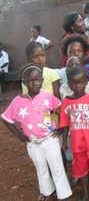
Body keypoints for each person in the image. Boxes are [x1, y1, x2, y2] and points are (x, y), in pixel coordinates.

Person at [1, 65, 72, 201]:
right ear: (24, 82)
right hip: (33, 143)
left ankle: (63, 195)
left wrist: (57, 127)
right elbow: (6, 119)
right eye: (30, 80)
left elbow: (58, 108)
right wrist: (19, 135)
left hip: (50, 139)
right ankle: (47, 192)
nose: (34, 83)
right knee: (41, 169)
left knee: (57, 168)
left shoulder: (47, 97)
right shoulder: (18, 101)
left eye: (37, 80)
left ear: (42, 80)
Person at [59, 66, 89, 201]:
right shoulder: (66, 103)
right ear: (69, 84)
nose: (78, 85)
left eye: (81, 82)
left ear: (86, 82)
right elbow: (64, 124)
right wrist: (64, 141)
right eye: (74, 83)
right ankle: (85, 193)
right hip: (77, 143)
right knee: (81, 170)